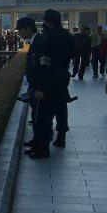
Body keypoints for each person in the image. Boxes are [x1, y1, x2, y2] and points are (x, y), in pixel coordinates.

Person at [17, 16, 55, 159]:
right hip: (34, 86)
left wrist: (40, 88)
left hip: (41, 88)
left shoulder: (42, 43)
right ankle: (37, 143)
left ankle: (43, 149)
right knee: (36, 117)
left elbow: (45, 67)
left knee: (42, 119)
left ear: (28, 28)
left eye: (20, 30)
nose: (19, 33)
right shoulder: (35, 42)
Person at [41, 9, 73, 147]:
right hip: (63, 75)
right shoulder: (69, 36)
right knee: (61, 107)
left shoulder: (48, 37)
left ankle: (47, 135)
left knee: (47, 107)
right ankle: (61, 136)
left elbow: (45, 59)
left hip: (49, 76)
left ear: (48, 22)